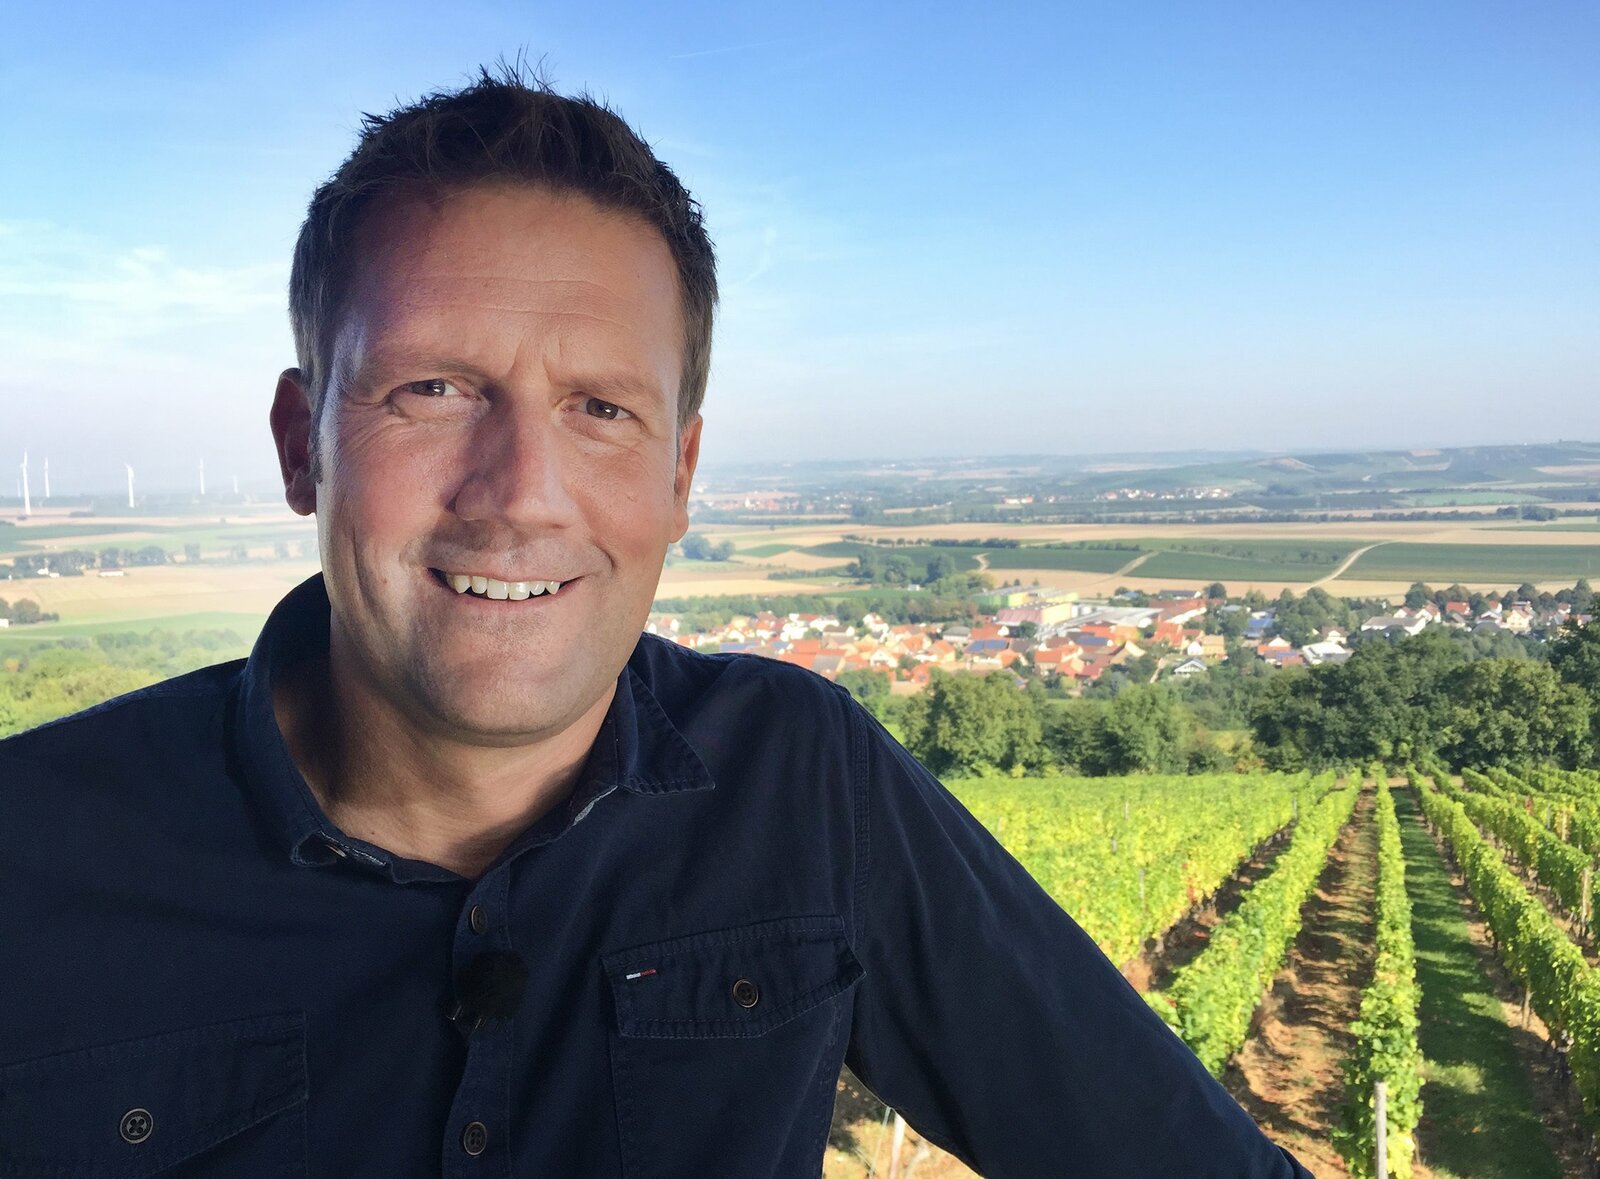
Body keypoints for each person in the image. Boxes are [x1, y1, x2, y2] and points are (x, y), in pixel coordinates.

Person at [0, 67, 1311, 1177]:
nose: (520, 493)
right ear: (302, 446)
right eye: (433, 389)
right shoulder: (32, 855)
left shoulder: (803, 782)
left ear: (679, 476)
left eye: (601, 410)